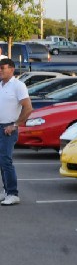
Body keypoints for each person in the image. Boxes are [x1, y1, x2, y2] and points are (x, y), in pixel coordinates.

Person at [0, 58, 33, 205]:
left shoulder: (18, 86)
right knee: (1, 161)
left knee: (6, 161)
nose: (0, 71)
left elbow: (28, 108)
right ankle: (6, 190)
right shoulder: (1, 85)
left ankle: (13, 193)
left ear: (12, 69)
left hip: (8, 128)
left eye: (2, 68)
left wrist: (14, 125)